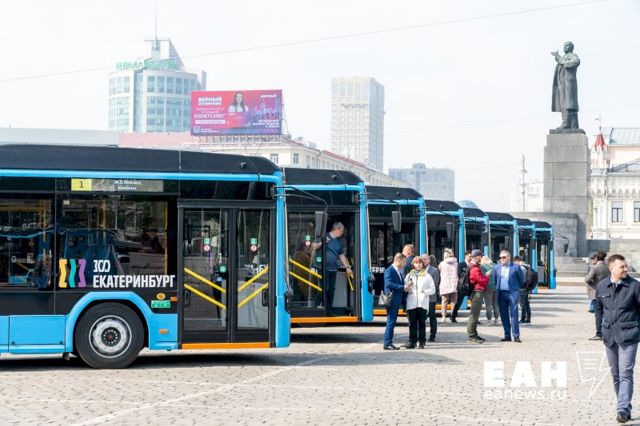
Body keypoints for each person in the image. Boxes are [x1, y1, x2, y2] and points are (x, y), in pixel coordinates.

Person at [595, 254, 640, 423]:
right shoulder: (602, 286)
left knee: (626, 372)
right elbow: (598, 309)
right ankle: (624, 404)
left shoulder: (634, 286)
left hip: (629, 336)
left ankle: (622, 409)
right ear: (611, 268)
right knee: (616, 375)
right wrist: (599, 330)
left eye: (626, 266)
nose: (626, 269)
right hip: (610, 337)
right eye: (622, 267)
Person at [314, 222, 353, 314]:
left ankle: (328, 310)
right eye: (341, 231)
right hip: (323, 268)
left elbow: (341, 255)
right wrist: (323, 242)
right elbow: (314, 247)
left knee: (332, 289)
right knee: (324, 288)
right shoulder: (324, 236)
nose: (342, 233)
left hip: (333, 269)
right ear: (337, 229)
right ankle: (314, 306)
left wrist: (347, 267)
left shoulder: (338, 242)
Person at [493, 250, 525, 343]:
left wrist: (515, 289)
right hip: (501, 294)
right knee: (504, 315)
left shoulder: (516, 267)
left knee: (514, 314)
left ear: (509, 257)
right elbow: (495, 280)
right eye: (500, 257)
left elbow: (521, 280)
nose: (502, 259)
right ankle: (507, 335)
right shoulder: (497, 267)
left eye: (504, 257)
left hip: (512, 294)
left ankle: (516, 335)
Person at [404, 257, 436, 349]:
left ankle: (422, 341)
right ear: (413, 265)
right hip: (411, 303)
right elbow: (404, 289)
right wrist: (407, 286)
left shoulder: (427, 276)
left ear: (422, 264)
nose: (418, 265)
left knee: (422, 323)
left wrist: (424, 292)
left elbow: (433, 289)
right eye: (416, 263)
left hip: (422, 303)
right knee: (412, 323)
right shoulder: (409, 275)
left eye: (420, 263)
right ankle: (412, 341)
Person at [551, 41, 580, 130]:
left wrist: (560, 59)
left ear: (571, 47)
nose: (564, 47)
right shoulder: (564, 57)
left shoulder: (573, 56)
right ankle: (574, 125)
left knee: (568, 104)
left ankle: (566, 123)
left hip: (568, 84)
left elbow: (576, 62)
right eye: (564, 45)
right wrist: (560, 58)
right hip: (562, 84)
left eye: (566, 45)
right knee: (568, 104)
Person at [383, 253, 407, 350]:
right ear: (398, 260)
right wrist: (402, 287)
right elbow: (388, 283)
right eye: (403, 262)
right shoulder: (390, 270)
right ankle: (387, 343)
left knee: (392, 321)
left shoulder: (397, 271)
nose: (404, 264)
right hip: (392, 299)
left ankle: (389, 342)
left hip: (396, 299)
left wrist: (405, 286)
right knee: (391, 321)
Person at [467, 249, 489, 343]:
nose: (481, 258)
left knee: (475, 314)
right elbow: (481, 280)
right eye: (480, 256)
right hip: (477, 292)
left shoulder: (472, 266)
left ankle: (474, 333)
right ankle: (472, 335)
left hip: (476, 291)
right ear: (477, 256)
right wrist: (487, 276)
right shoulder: (475, 268)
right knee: (474, 314)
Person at [422, 254, 440, 341]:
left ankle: (433, 335)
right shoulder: (417, 270)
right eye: (422, 259)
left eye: (425, 259)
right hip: (421, 298)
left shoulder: (434, 270)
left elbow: (435, 284)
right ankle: (422, 335)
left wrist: (424, 290)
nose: (423, 261)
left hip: (431, 298)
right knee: (422, 317)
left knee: (432, 316)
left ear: (429, 260)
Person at [451, 250, 472, 323]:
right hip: (462, 286)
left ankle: (474, 318)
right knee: (459, 302)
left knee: (474, 302)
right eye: (470, 256)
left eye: (472, 256)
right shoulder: (461, 264)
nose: (471, 258)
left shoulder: (473, 264)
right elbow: (459, 274)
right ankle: (453, 316)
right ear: (466, 256)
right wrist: (468, 270)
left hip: (471, 285)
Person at [438, 248, 458, 322]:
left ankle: (443, 316)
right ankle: (453, 316)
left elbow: (439, 271)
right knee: (453, 301)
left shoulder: (442, 264)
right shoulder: (456, 263)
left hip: (444, 284)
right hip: (454, 284)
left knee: (444, 301)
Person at [514, 256, 533, 324]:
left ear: (517, 261)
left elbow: (521, 279)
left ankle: (523, 318)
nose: (515, 264)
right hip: (527, 287)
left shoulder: (522, 268)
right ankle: (528, 318)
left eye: (515, 262)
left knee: (522, 304)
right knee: (527, 303)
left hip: (522, 288)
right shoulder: (527, 266)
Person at [481, 255, 499, 325]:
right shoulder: (495, 265)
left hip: (487, 287)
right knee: (496, 304)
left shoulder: (482, 267)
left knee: (488, 305)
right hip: (496, 287)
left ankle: (489, 320)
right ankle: (496, 320)